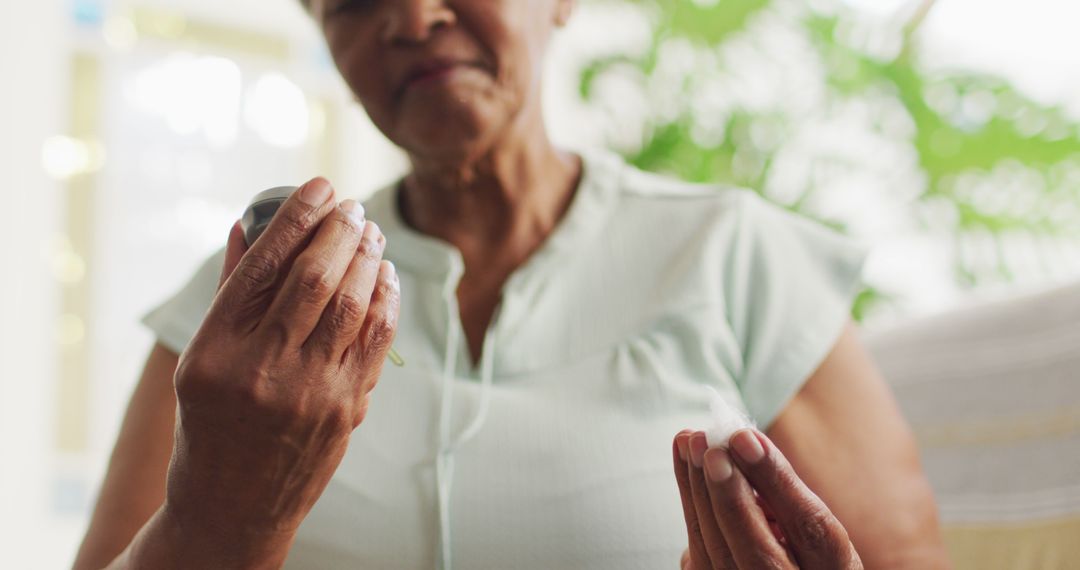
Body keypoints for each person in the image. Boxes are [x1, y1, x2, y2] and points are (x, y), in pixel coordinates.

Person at [73, 0, 950, 568]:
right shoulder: (242, 307)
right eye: (352, 1)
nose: (412, 18)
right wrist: (220, 511)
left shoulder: (735, 253)